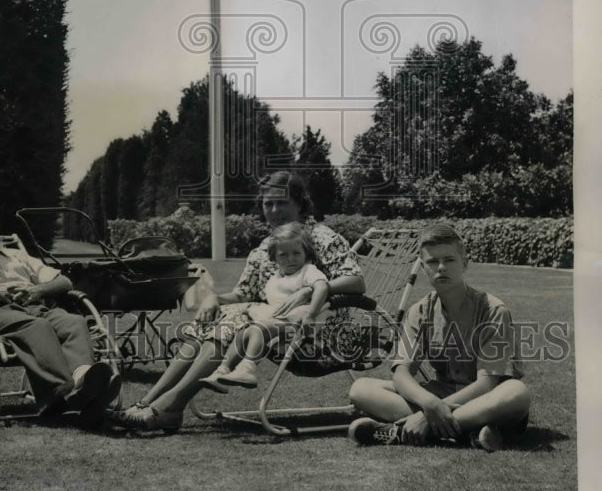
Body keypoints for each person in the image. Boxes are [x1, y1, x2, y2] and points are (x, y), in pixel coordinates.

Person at [111, 170, 364, 432]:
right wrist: (212, 298)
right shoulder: (266, 247)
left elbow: (356, 282)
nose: (274, 210)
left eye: (282, 202)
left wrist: (310, 291)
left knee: (231, 322)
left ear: (299, 203)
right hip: (272, 323)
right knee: (212, 322)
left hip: (317, 329)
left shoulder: (322, 237)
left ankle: (171, 405)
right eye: (268, 204)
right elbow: (244, 294)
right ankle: (147, 402)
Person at [0, 198, 119, 421]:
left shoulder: (18, 256)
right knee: (38, 326)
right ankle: (60, 390)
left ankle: (82, 379)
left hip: (35, 306)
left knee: (74, 322)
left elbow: (64, 282)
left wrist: (37, 291)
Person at [348, 222, 531, 452]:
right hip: (441, 393)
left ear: (464, 264)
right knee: (361, 389)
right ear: (423, 267)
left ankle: (402, 432)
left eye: (449, 260)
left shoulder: (492, 309)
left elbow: (487, 383)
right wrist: (429, 404)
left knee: (517, 392)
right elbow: (401, 373)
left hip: (485, 398)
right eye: (433, 262)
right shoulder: (420, 310)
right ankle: (471, 432)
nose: (441, 267)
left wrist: (429, 415)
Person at [198, 221, 330, 391]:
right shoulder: (278, 276)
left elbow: (322, 286)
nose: (291, 259)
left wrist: (311, 314)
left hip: (299, 322)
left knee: (256, 330)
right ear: (274, 258)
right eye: (283, 255)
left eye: (297, 253)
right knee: (243, 332)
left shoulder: (307, 271)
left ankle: (248, 368)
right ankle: (222, 371)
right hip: (279, 320)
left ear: (306, 253)